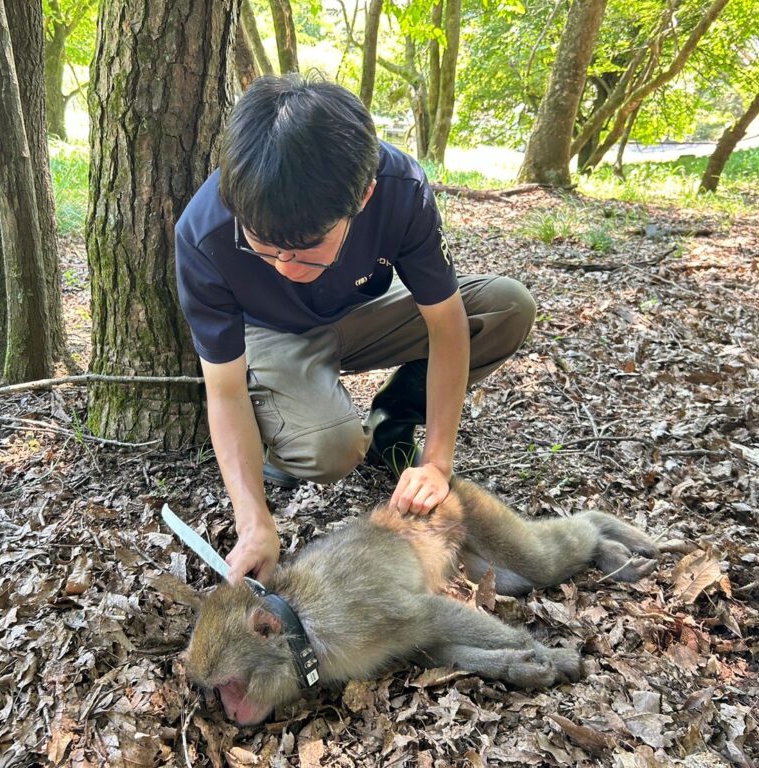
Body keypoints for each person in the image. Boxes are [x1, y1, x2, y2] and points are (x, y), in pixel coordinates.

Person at [175, 74, 536, 585]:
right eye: (264, 246)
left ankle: (395, 420)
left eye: (304, 247)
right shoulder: (203, 235)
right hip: (274, 333)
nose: (283, 265)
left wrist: (436, 462)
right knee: (333, 451)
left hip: (366, 305)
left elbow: (447, 322)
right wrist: (254, 520)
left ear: (363, 197)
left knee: (506, 307)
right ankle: (287, 437)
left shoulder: (398, 188)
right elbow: (226, 390)